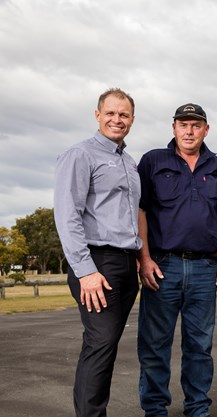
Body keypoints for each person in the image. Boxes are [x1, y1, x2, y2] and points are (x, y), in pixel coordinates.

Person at [136, 103, 217, 417]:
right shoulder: (153, 161)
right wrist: (143, 258)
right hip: (162, 267)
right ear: (173, 128)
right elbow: (139, 210)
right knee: (154, 346)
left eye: (196, 125)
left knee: (199, 347)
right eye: (183, 124)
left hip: (204, 269)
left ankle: (197, 409)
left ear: (206, 130)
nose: (189, 131)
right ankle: (155, 410)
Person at [54, 87, 141, 417]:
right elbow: (67, 214)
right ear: (97, 115)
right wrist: (86, 271)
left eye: (123, 115)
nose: (117, 119)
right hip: (96, 264)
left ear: (132, 120)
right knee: (101, 343)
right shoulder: (80, 154)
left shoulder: (130, 163)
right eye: (110, 113)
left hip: (125, 264)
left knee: (102, 347)